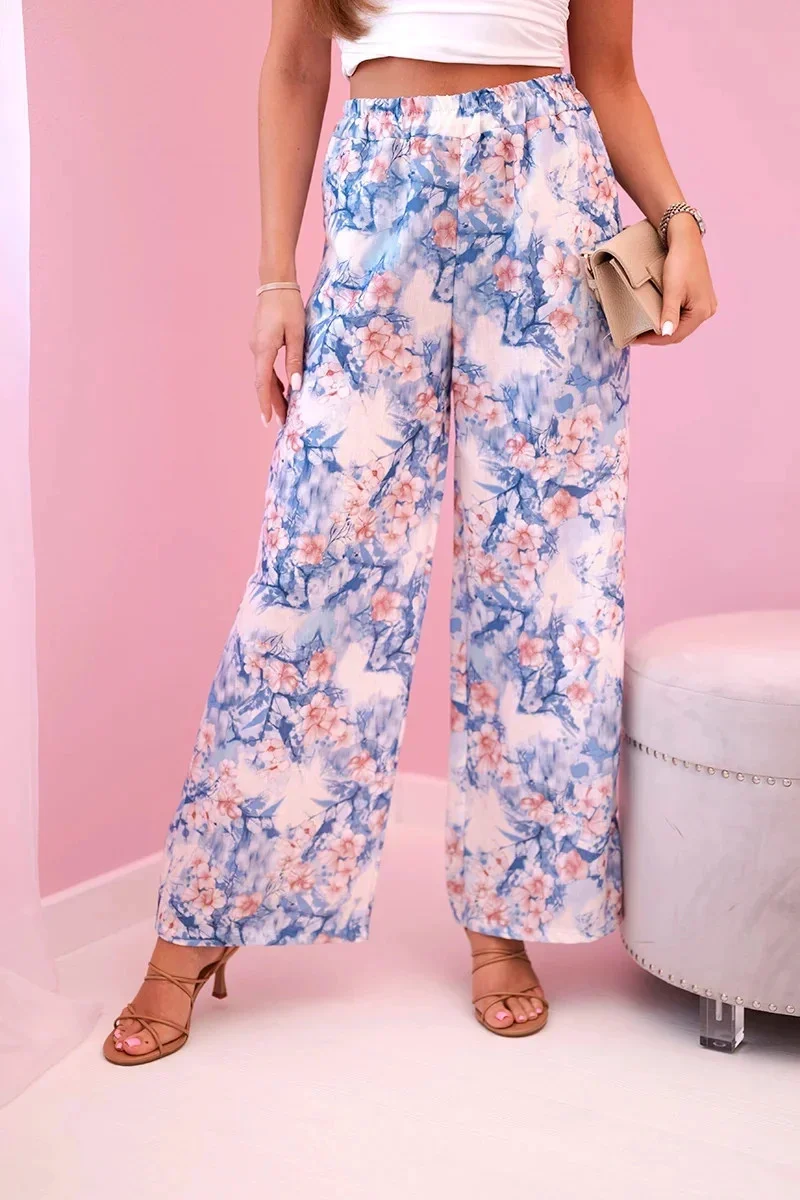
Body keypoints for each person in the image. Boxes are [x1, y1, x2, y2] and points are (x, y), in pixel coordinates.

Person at [104, 0, 716, 1064]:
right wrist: (276, 276)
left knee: (545, 576)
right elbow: (294, 66)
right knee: (314, 562)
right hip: (381, 190)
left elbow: (608, 73)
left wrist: (679, 219)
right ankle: (204, 914)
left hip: (547, 198)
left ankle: (502, 917)